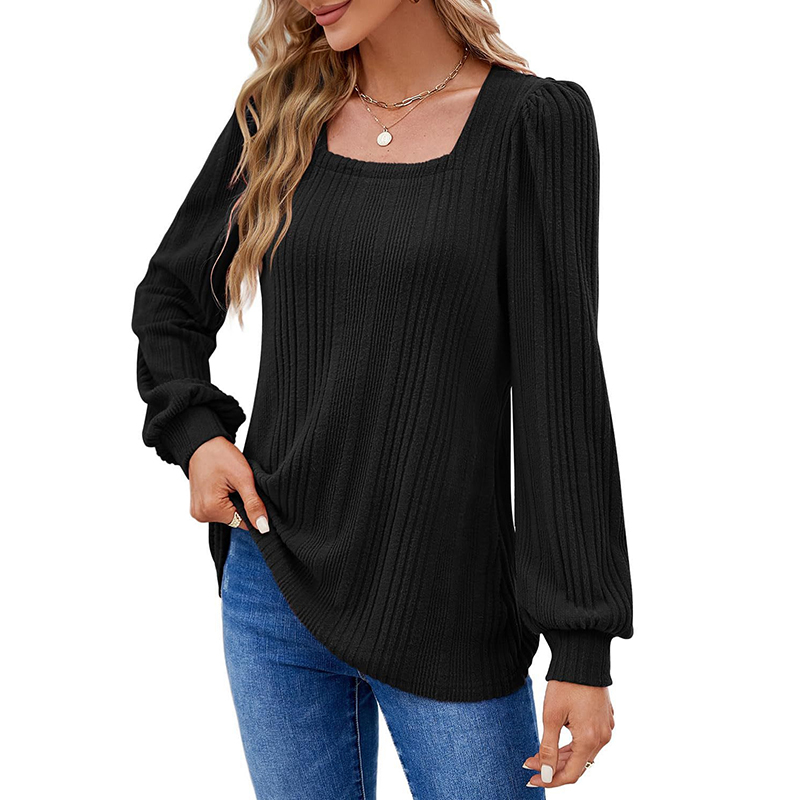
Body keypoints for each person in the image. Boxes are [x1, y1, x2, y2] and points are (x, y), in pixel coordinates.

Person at [130, 1, 634, 798]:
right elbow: (170, 298)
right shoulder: (282, 111)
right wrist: (196, 436)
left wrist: (581, 643)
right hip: (274, 587)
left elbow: (560, 388)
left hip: (449, 614)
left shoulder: (532, 123)